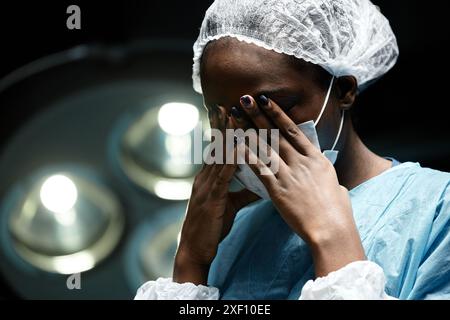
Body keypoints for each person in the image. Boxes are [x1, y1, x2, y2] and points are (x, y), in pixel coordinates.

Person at [135, 0, 450, 300]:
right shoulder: (237, 233)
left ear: (344, 90)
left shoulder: (438, 210)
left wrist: (332, 242)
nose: (244, 132)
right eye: (223, 115)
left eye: (270, 107)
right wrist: (191, 263)